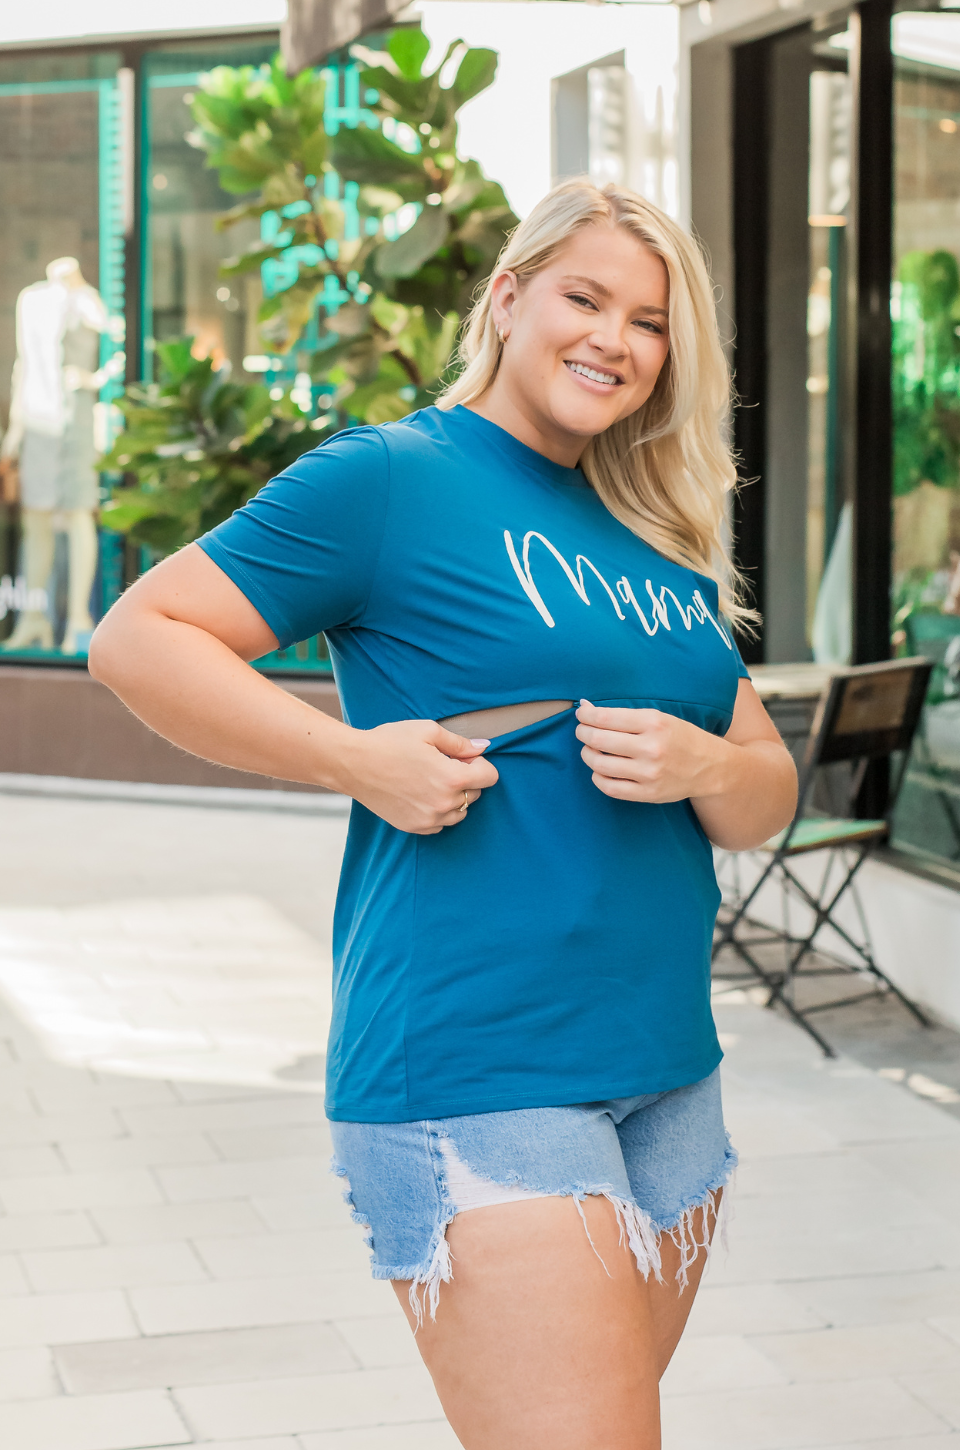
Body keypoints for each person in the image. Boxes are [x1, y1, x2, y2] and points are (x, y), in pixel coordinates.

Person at [89, 179, 797, 1450]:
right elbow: (141, 637)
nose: (616, 339)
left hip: (666, 1075)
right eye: (586, 298)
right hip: (482, 1063)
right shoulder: (392, 479)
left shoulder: (652, 535)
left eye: (650, 322)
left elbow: (762, 787)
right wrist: (351, 758)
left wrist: (703, 762)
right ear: (509, 298)